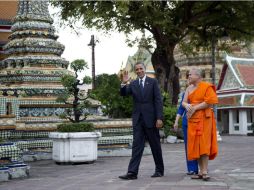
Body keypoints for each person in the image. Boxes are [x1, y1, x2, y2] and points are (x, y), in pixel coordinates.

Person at [118, 62, 164, 180]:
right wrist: (124, 83)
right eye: (137, 69)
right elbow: (123, 93)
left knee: (155, 145)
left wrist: (159, 118)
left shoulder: (152, 82)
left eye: (141, 69)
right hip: (138, 120)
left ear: (144, 69)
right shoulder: (133, 84)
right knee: (137, 146)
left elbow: (158, 100)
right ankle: (132, 172)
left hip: (151, 119)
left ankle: (159, 170)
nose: (139, 71)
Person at [182, 68, 218, 181]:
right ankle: (201, 171)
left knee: (204, 144)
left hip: (205, 119)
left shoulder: (206, 86)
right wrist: (186, 106)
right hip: (193, 119)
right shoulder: (188, 88)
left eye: (190, 75)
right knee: (195, 145)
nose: (188, 76)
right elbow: (184, 101)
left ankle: (205, 171)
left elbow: (210, 101)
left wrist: (195, 108)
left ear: (197, 76)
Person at [173, 90, 199, 175]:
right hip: (187, 122)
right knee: (188, 145)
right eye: (189, 76)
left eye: (190, 75)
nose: (189, 78)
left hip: (199, 121)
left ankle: (202, 168)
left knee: (199, 145)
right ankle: (192, 169)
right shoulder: (187, 92)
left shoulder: (203, 89)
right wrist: (176, 122)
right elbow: (181, 108)